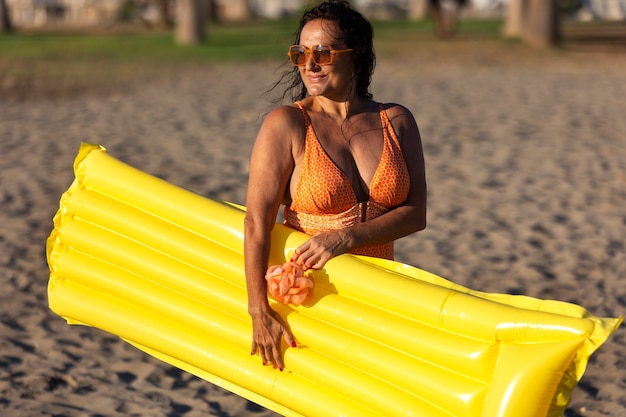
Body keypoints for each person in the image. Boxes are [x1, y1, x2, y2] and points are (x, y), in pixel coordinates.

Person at [243, 0, 427, 371]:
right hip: (310, 304)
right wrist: (258, 309)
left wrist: (346, 237)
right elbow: (255, 223)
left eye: (322, 53)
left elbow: (415, 214)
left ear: (354, 54)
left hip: (378, 296)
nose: (309, 64)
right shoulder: (287, 125)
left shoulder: (396, 120)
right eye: (300, 53)